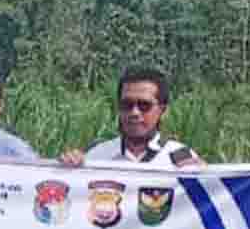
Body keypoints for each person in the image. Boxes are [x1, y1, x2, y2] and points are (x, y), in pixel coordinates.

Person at [58, 67, 203, 167]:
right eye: (127, 104)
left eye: (144, 105)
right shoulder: (96, 155)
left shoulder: (182, 159)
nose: (134, 112)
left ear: (162, 110)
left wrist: (208, 178)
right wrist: (67, 170)